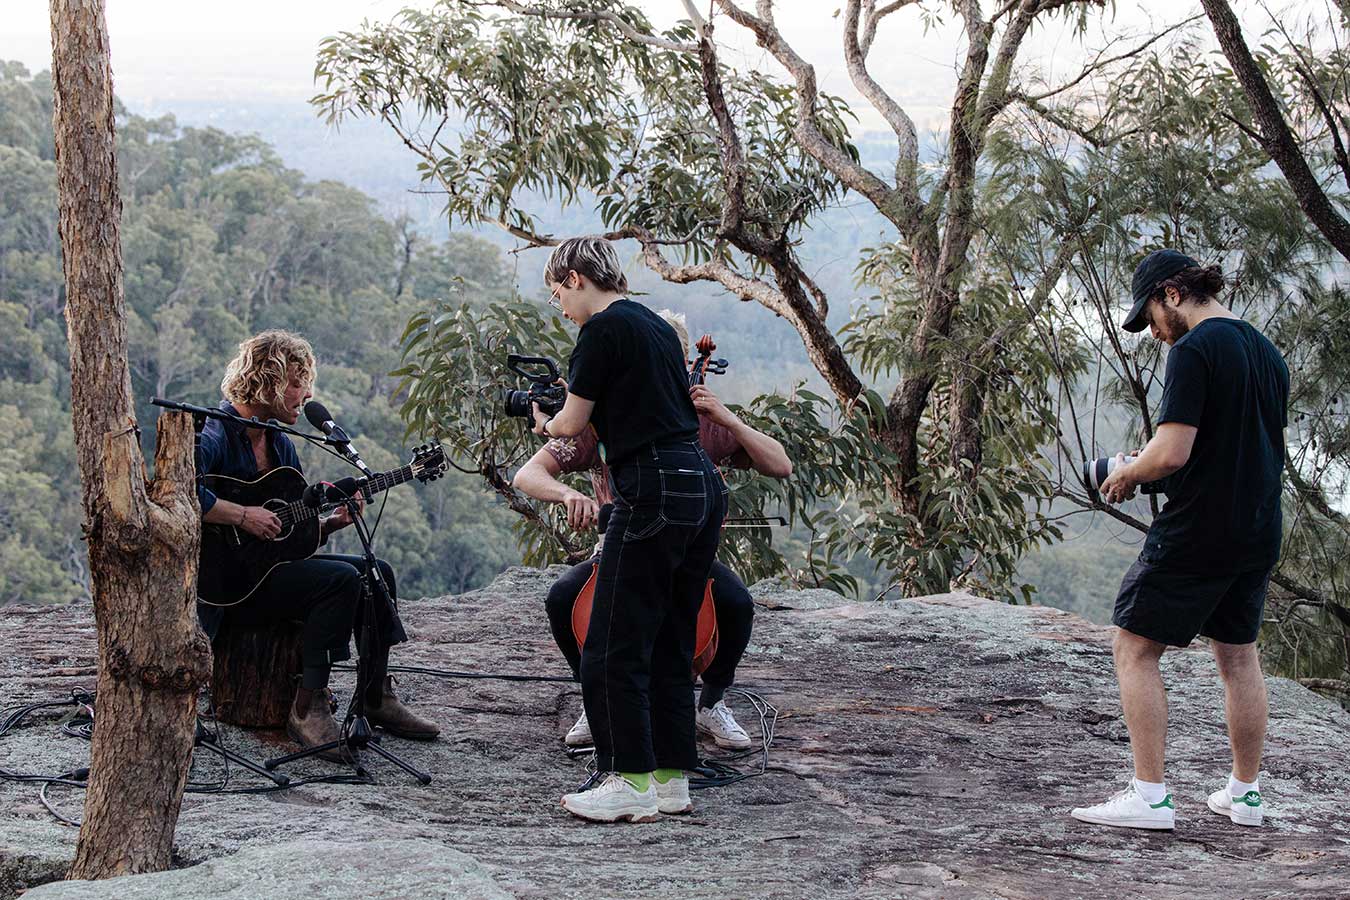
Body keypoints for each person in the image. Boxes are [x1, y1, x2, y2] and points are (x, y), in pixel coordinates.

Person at [1071, 250, 1289, 831]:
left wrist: (1126, 472)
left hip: (1200, 529)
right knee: (1238, 655)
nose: (1156, 334)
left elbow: (1172, 453)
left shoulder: (1195, 350)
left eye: (1150, 317)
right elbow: (1240, 446)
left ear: (1171, 292)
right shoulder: (1266, 352)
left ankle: (1150, 796)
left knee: (1134, 648)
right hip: (1258, 527)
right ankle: (1245, 795)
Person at [513, 311, 792, 752]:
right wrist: (568, 495)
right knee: (563, 598)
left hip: (685, 548)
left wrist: (732, 420)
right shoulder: (603, 417)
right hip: (619, 544)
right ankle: (594, 697)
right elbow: (528, 474)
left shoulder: (704, 420)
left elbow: (780, 464)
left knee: (736, 603)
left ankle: (711, 702)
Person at [529, 236, 727, 823]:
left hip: (651, 488)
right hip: (700, 486)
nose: (560, 308)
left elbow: (572, 422)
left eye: (556, 295)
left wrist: (545, 420)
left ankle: (627, 780)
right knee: (670, 638)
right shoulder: (656, 326)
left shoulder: (602, 331)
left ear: (573, 277)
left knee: (612, 639)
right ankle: (669, 780)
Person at [195, 330, 439, 762]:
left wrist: (328, 524)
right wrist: (242, 515)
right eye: (295, 383)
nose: (305, 395)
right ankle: (308, 707)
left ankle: (375, 695)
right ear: (264, 380)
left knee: (377, 570)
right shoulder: (212, 434)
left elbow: (287, 537)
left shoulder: (281, 444)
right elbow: (178, 492)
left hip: (267, 574)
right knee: (339, 580)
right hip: (227, 588)